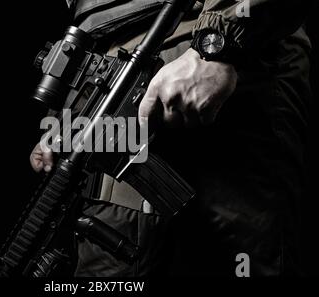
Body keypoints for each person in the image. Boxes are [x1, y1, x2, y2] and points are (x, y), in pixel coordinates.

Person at [30, 0, 313, 276]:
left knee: (231, 251)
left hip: (209, 55)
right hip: (113, 95)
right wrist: (72, 116)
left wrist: (215, 47)